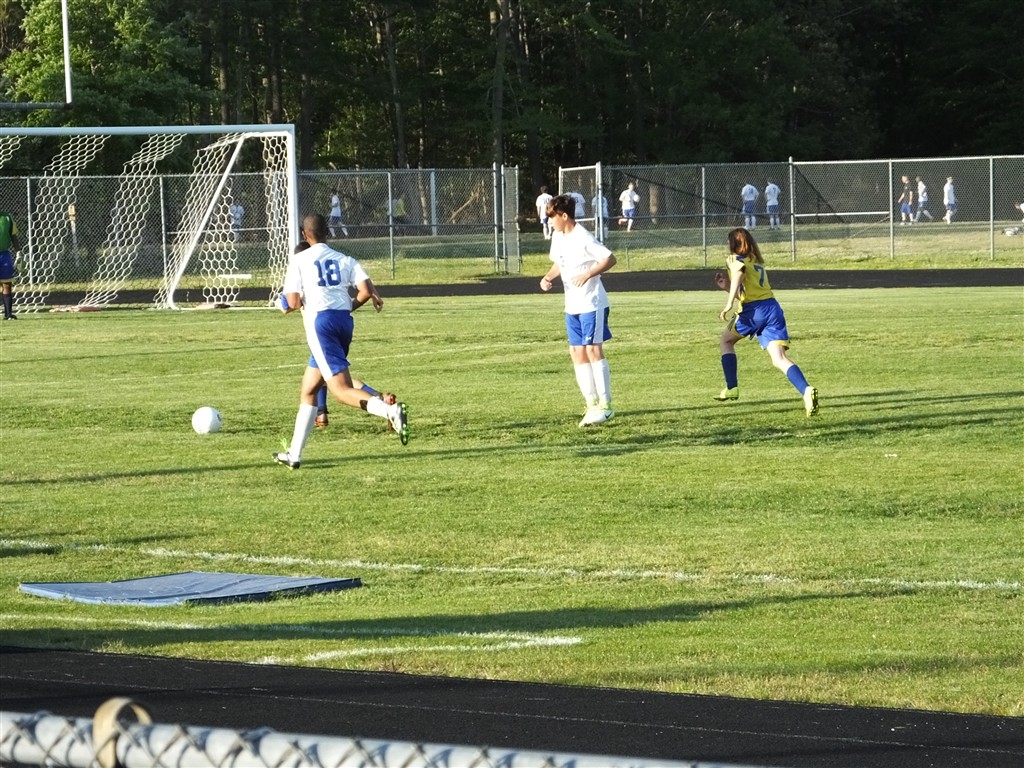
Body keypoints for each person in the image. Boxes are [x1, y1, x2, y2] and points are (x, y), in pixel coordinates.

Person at [274, 214, 408, 469]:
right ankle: (294, 454)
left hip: (321, 326)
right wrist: (347, 307)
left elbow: (292, 302)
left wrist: (283, 306)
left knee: (340, 391)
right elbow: (366, 291)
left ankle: (389, 411)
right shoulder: (345, 258)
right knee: (309, 390)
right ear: (328, 232)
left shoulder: (300, 260)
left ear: (304, 234)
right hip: (344, 323)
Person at [713, 227, 818, 417]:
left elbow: (739, 274)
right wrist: (727, 287)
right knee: (779, 359)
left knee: (726, 341)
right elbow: (747, 290)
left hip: (753, 311)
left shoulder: (735, 259)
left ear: (734, 243)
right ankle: (806, 391)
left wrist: (728, 303)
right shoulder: (755, 262)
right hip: (773, 308)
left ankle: (732, 387)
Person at [539, 194, 617, 427]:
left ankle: (606, 406)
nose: (549, 221)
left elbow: (609, 259)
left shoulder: (583, 237)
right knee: (576, 352)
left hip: (592, 303)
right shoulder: (558, 237)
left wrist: (588, 274)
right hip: (572, 304)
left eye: (552, 217)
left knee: (593, 350)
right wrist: (548, 277)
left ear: (564, 216)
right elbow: (560, 262)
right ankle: (591, 404)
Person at [0, 211, 20, 320]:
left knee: (7, 284)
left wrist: (19, 252)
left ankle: (8, 315)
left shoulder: (7, 218)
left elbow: (13, 236)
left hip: (4, 254)